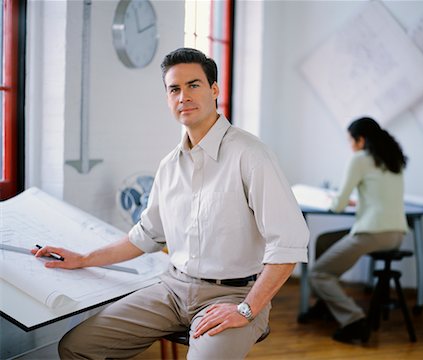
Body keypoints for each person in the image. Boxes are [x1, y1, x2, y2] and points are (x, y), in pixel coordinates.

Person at [34, 48, 310, 359]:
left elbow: (288, 243)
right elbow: (145, 236)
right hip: (172, 288)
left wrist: (246, 309)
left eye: (194, 85)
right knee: (77, 346)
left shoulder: (251, 155)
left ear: (214, 89)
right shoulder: (169, 166)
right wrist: (83, 259)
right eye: (174, 89)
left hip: (235, 293)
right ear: (168, 97)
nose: (183, 96)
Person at [306, 117, 408, 343]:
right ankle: (326, 304)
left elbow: (338, 205)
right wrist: (359, 203)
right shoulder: (392, 160)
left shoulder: (360, 160)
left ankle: (354, 320)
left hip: (373, 233)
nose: (350, 146)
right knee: (325, 240)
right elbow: (381, 198)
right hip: (395, 235)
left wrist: (334, 200)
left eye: (350, 141)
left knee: (318, 274)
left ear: (360, 140)